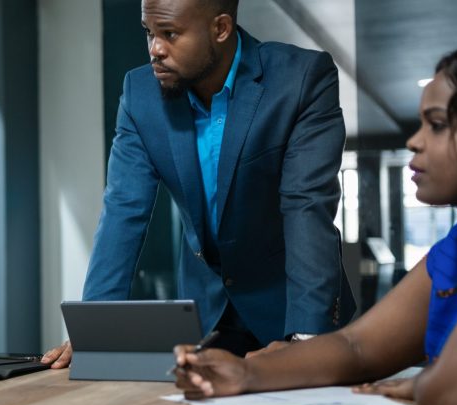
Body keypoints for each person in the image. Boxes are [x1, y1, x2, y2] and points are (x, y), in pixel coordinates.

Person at [173, 28, 457, 405]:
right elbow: (358, 348)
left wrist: (424, 383)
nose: (416, 142)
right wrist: (247, 373)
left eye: (437, 125)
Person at [42, 0, 354, 367]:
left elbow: (307, 207)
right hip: (207, 315)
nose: (155, 49)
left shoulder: (301, 78)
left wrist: (307, 337)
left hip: (290, 305)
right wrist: (95, 330)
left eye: (170, 34)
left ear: (220, 29)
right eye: (149, 33)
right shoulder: (141, 93)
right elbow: (122, 210)